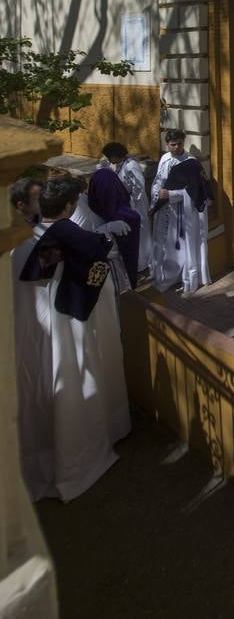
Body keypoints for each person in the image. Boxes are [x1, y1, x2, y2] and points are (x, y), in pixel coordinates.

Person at [11, 176, 131, 502]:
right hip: (68, 337)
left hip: (29, 339)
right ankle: (75, 461)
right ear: (68, 206)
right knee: (71, 393)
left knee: (36, 393)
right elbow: (103, 290)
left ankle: (38, 462)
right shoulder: (80, 245)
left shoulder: (18, 244)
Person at [150, 129, 212, 295]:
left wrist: (171, 195)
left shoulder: (191, 163)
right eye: (173, 144)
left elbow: (196, 191)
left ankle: (185, 278)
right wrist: (155, 199)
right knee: (165, 245)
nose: (176, 147)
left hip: (183, 213)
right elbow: (157, 182)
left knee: (180, 248)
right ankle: (165, 276)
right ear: (167, 144)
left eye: (179, 144)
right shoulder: (164, 158)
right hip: (166, 210)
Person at [101, 141, 152, 273]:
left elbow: (138, 186)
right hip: (127, 204)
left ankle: (143, 265)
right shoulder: (120, 165)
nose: (109, 160)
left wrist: (131, 206)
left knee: (140, 236)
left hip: (136, 206)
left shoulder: (131, 166)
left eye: (109, 157)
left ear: (115, 155)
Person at [88, 167, 141, 290]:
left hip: (117, 268)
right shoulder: (85, 209)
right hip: (98, 269)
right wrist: (107, 228)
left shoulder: (127, 214)